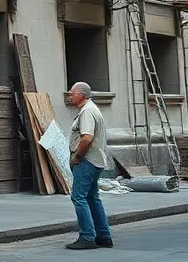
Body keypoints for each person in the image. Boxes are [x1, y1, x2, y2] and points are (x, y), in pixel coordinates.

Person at [65, 81, 112, 251]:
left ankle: (87, 237)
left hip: (87, 160)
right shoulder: (91, 109)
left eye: (72, 93)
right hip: (95, 160)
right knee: (92, 197)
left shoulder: (87, 112)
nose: (70, 95)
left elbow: (86, 137)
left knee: (78, 197)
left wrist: (77, 156)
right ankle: (103, 236)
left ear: (82, 95)